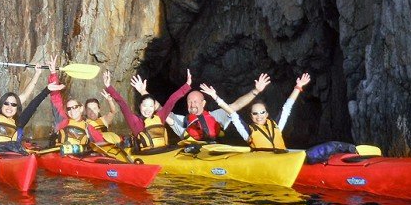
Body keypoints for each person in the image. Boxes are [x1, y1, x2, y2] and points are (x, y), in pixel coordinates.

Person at [131, 73, 271, 142]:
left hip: (215, 151)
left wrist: (256, 91)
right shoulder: (181, 122)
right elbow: (161, 110)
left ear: (203, 104)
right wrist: (143, 91)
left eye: (196, 101)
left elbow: (236, 105)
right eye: (190, 102)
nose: (192, 104)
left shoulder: (217, 116)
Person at [202, 73, 311, 150]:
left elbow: (287, 107)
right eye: (255, 113)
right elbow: (232, 113)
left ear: (267, 114)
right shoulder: (247, 131)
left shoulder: (277, 125)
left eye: (262, 112)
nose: (259, 116)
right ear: (251, 116)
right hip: (262, 161)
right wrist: (215, 97)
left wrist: (298, 86)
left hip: (281, 158)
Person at [104, 69, 192, 151]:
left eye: (150, 106)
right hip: (145, 155)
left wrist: (187, 85)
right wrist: (109, 87)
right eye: (145, 106)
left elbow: (172, 100)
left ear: (154, 108)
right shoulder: (134, 121)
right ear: (140, 106)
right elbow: (122, 104)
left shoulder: (160, 117)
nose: (147, 109)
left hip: (163, 153)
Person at [48, 56, 106, 146]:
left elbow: (102, 144)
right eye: (69, 109)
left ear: (81, 108)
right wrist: (53, 73)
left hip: (79, 157)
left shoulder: (88, 127)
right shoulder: (62, 121)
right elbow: (56, 98)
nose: (72, 110)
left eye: (75, 107)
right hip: (60, 156)